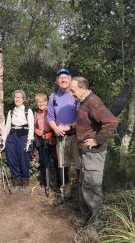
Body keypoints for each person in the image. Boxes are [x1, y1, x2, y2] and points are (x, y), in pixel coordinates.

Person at [69, 76, 118, 234]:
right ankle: (86, 219)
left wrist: (97, 140)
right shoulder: (83, 101)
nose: (71, 94)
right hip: (86, 153)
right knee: (85, 185)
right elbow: (89, 121)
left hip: (94, 154)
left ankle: (96, 227)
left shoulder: (93, 101)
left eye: (73, 90)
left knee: (92, 188)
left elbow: (111, 122)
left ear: (83, 89)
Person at [47, 68, 81, 206]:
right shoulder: (53, 97)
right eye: (60, 77)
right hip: (60, 138)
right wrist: (55, 128)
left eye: (65, 77)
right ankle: (64, 195)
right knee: (62, 167)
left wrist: (69, 127)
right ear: (57, 80)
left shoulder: (76, 94)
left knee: (80, 167)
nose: (63, 79)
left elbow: (82, 117)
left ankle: (82, 197)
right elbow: (50, 117)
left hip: (75, 136)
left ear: (70, 79)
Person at [2, 90, 34, 195]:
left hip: (23, 136)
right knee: (12, 159)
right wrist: (3, 140)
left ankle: (25, 183)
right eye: (16, 97)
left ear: (23, 99)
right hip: (12, 137)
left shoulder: (28, 111)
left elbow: (31, 126)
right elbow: (7, 127)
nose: (18, 99)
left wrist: (29, 141)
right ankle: (16, 182)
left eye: (20, 97)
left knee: (24, 159)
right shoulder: (11, 112)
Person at [33, 93, 58, 196]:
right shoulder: (36, 114)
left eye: (43, 101)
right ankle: (45, 185)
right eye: (38, 101)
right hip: (41, 140)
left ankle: (59, 186)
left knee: (57, 163)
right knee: (44, 163)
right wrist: (36, 131)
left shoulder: (52, 111)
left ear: (47, 101)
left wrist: (52, 135)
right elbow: (33, 126)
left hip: (53, 139)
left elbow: (57, 124)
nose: (41, 103)